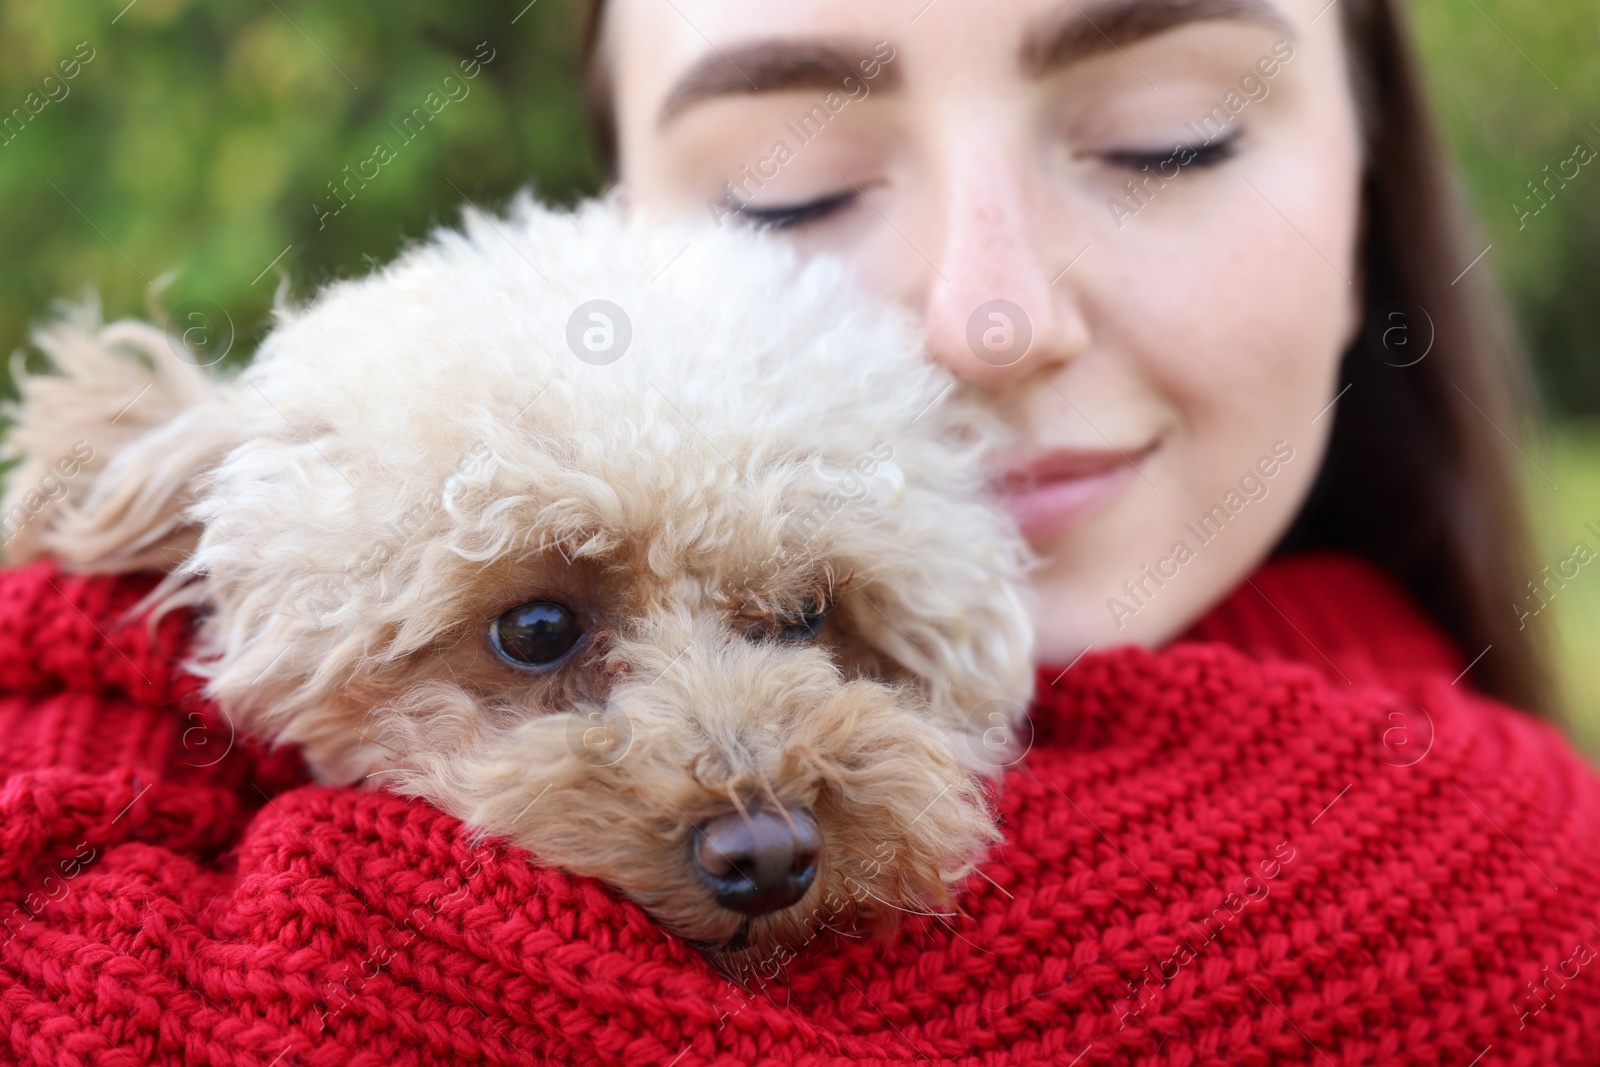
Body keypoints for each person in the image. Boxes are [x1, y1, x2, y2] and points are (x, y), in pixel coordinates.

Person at [2, 1, 1598, 1064]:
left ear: (1374, 199)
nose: (990, 322)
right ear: (625, 188)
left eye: (1165, 135)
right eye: (795, 188)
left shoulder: (1487, 890)